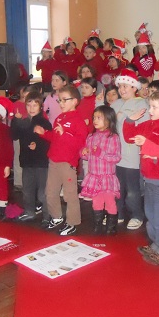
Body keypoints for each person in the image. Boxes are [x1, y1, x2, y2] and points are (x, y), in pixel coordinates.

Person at [123, 89, 159, 265]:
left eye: (155, 107)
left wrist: (148, 145)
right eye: (150, 106)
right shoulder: (149, 124)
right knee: (151, 214)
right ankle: (156, 245)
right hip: (150, 178)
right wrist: (129, 120)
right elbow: (129, 137)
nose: (150, 110)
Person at [35, 85, 89, 236]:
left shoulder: (78, 121)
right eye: (60, 100)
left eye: (65, 100)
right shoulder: (59, 118)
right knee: (50, 192)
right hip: (54, 160)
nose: (61, 103)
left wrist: (65, 134)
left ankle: (72, 222)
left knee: (70, 195)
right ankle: (57, 217)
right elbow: (55, 137)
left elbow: (80, 143)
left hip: (67, 163)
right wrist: (44, 133)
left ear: (75, 101)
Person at [110, 69, 149, 229]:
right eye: (120, 86)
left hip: (131, 153)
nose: (122, 89)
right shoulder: (115, 104)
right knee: (117, 186)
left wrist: (123, 119)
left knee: (132, 189)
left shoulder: (141, 104)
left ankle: (136, 215)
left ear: (134, 87)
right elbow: (107, 124)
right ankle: (118, 212)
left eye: (125, 86)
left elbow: (143, 128)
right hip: (115, 153)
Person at [11, 92, 52, 225]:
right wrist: (15, 121)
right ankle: (29, 211)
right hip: (27, 161)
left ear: (41, 106)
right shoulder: (24, 121)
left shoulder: (44, 122)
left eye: (35, 105)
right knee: (27, 190)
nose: (32, 108)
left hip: (41, 163)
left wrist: (37, 145)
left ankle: (47, 215)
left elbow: (49, 140)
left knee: (42, 192)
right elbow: (14, 135)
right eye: (29, 105)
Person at [80, 105, 121, 235]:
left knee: (110, 202)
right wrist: (84, 152)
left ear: (109, 120)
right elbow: (86, 155)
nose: (95, 120)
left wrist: (101, 153)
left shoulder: (113, 137)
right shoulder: (91, 136)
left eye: (99, 118)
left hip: (107, 177)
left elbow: (116, 157)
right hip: (94, 177)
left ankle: (111, 227)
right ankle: (97, 225)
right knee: (96, 202)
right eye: (94, 117)